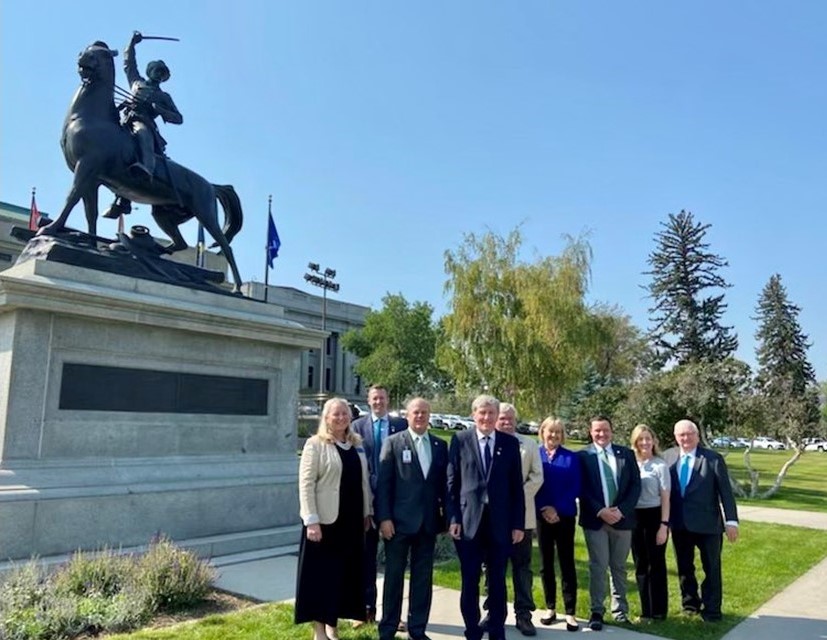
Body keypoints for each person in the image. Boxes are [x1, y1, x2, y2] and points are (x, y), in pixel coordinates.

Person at [447, 394, 525, 640]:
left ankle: (496, 630)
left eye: (491, 413)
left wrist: (518, 524)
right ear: (474, 415)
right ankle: (472, 630)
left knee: (498, 580)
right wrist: (453, 518)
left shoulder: (509, 443)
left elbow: (516, 489)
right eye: (482, 413)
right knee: (470, 580)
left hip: (500, 525)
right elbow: (451, 483)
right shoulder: (460, 440)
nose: (487, 418)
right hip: (469, 524)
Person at [295, 398, 372, 640]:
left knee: (343, 577)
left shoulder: (356, 444)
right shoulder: (315, 444)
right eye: (335, 414)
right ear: (326, 418)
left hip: (351, 522)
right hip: (325, 524)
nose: (341, 418)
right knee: (321, 578)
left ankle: (333, 626)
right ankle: (319, 631)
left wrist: (367, 511)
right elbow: (305, 484)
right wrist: (311, 520)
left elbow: (364, 481)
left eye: (345, 414)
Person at [375, 397, 449, 640]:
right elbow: (384, 486)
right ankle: (387, 629)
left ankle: (417, 630)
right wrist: (384, 518)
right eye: (416, 412)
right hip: (397, 524)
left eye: (424, 412)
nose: (420, 416)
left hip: (427, 525)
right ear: (407, 415)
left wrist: (447, 520)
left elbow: (444, 487)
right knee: (394, 579)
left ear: (429, 416)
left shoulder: (439, 446)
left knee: (422, 580)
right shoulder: (393, 443)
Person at [662, 419, 739, 622]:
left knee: (711, 568)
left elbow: (726, 493)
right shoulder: (667, 457)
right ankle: (690, 605)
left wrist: (731, 521)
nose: (685, 438)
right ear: (675, 437)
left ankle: (712, 610)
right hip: (679, 524)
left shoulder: (713, 459)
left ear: (697, 436)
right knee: (685, 568)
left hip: (708, 525)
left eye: (689, 434)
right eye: (681, 435)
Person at [104, 31, 184, 220]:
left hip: (143, 123)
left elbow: (179, 118)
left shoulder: (164, 97)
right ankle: (119, 196)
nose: (159, 74)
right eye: (157, 70)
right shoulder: (136, 82)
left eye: (162, 73)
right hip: (123, 119)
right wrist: (132, 43)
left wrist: (161, 110)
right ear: (150, 71)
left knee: (141, 133)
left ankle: (145, 169)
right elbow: (128, 62)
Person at [480, 403, 543, 637]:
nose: (506, 422)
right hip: (492, 519)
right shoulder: (487, 443)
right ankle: (493, 613)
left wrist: (513, 497)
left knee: (522, 568)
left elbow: (537, 476)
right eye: (502, 418)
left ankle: (524, 615)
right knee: (492, 568)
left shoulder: (528, 444)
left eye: (510, 419)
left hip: (521, 517)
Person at [349, 385, 407, 626]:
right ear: (368, 400)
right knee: (366, 558)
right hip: (366, 501)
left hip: (395, 502)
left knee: (396, 562)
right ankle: (366, 609)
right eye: (374, 398)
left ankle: (394, 614)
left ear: (388, 400)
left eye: (382, 398)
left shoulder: (401, 426)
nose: (378, 402)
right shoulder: (357, 427)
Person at [578, 415, 641, 631]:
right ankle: (597, 611)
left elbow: (635, 486)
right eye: (597, 431)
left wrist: (621, 510)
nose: (601, 434)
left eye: (605, 430)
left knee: (619, 567)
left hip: (622, 520)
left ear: (611, 431)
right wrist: (600, 511)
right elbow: (582, 488)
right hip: (595, 520)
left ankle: (620, 611)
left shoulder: (627, 454)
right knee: (598, 566)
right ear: (591, 431)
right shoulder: (583, 456)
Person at [534, 417, 581, 633]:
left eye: (558, 432)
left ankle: (570, 612)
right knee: (546, 563)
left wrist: (556, 509)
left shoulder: (571, 457)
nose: (554, 436)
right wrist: (544, 507)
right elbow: (530, 482)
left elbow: (575, 487)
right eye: (550, 432)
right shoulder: (535, 455)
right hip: (541, 516)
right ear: (543, 432)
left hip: (565, 516)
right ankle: (550, 607)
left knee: (566, 563)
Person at [629, 424, 671, 622]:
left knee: (656, 565)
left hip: (655, 517)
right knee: (640, 565)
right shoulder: (631, 463)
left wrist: (664, 525)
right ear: (635, 442)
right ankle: (646, 611)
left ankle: (659, 611)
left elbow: (666, 498)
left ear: (654, 441)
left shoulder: (660, 466)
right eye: (641, 439)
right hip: (635, 518)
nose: (645, 442)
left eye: (648, 438)